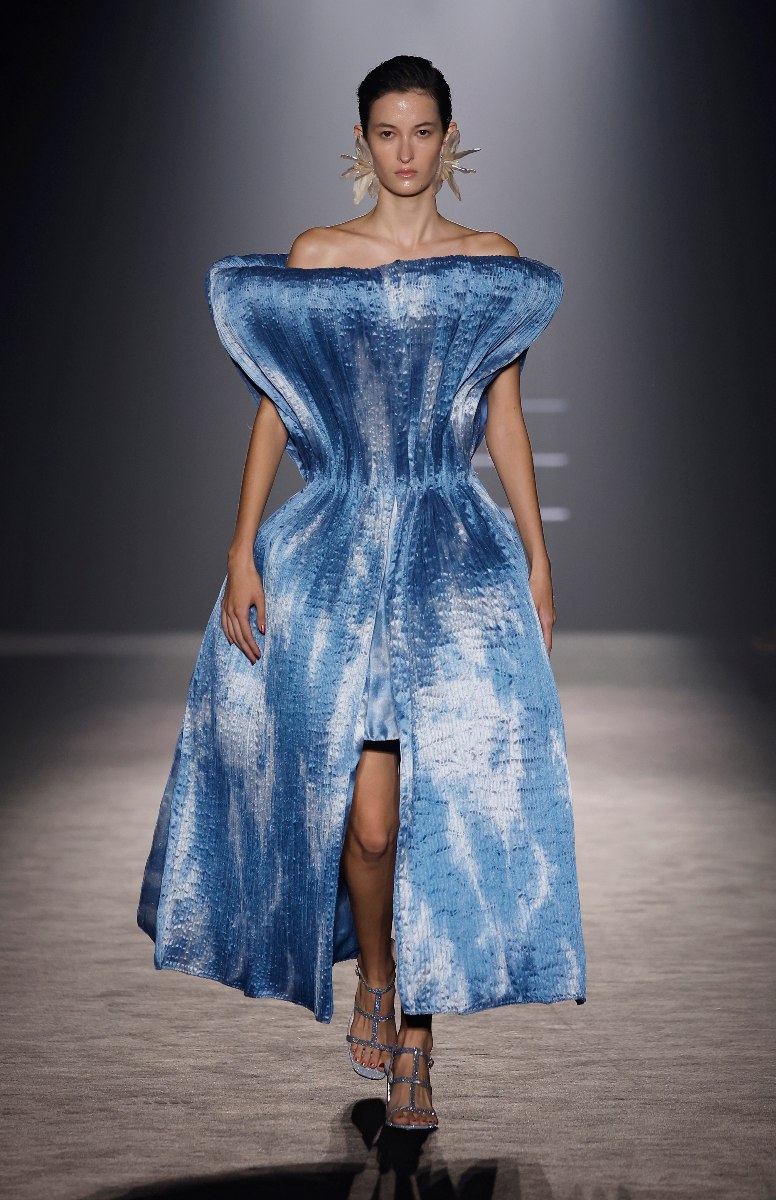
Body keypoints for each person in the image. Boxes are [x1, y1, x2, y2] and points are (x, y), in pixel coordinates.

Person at [137, 54, 587, 1134]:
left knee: (438, 809)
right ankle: (376, 977)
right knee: (372, 828)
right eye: (386, 131)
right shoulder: (319, 255)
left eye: (421, 131)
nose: (404, 150)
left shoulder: (489, 264)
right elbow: (275, 406)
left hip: (449, 550)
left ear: (449, 139)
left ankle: (417, 1050)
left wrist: (535, 554)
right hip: (336, 544)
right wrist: (241, 546)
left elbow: (504, 419)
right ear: (361, 141)